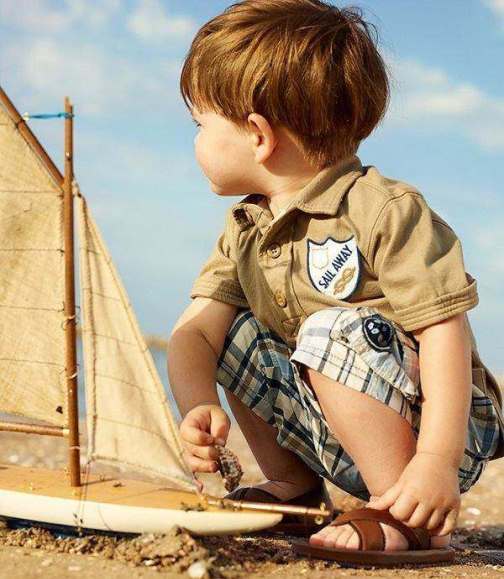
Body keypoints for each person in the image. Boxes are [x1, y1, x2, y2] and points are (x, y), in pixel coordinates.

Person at [167, 0, 503, 564]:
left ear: (257, 135)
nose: (196, 141)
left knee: (329, 330)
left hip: (437, 428)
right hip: (331, 425)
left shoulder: (385, 210)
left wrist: (435, 463)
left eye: (200, 125)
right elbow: (195, 332)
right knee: (231, 327)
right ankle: (292, 483)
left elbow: (445, 332)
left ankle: (403, 511)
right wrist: (198, 405)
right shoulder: (247, 227)